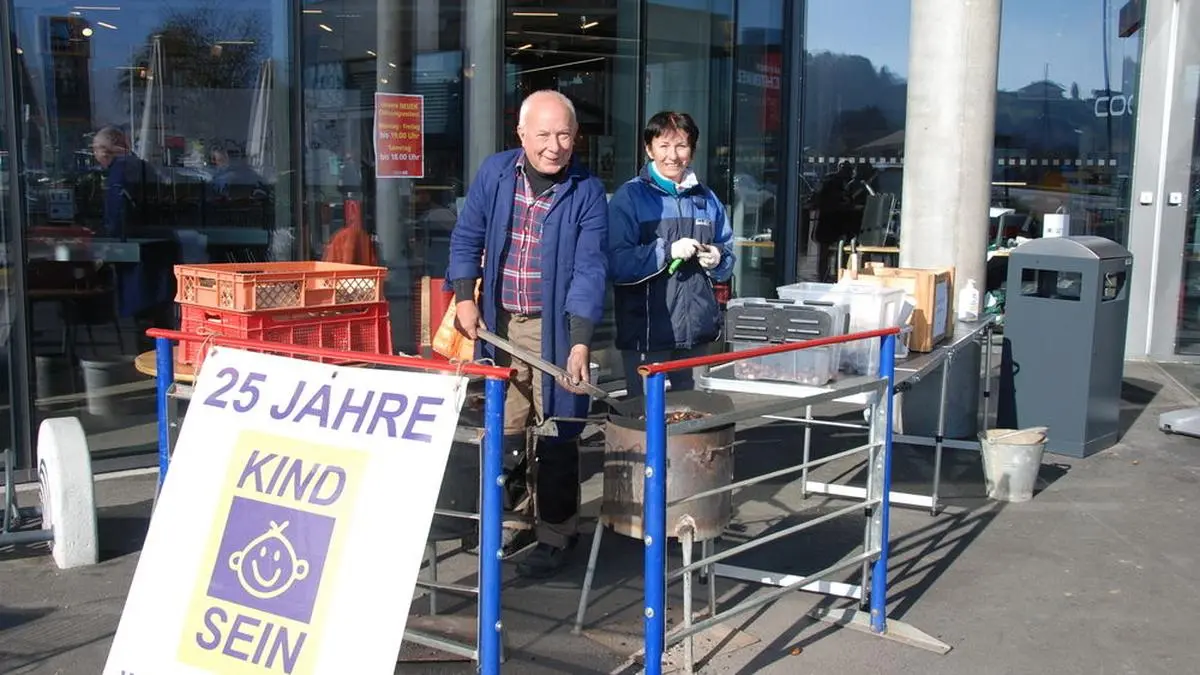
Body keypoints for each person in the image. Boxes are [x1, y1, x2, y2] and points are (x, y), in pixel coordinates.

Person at [446, 90, 608, 579]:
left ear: (576, 136)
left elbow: (589, 270)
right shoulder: (496, 173)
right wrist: (464, 295)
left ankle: (558, 533)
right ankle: (515, 520)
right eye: (543, 134)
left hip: (553, 327)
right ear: (521, 135)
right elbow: (467, 236)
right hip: (499, 322)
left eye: (564, 134)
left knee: (558, 428)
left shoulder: (586, 190)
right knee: (507, 428)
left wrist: (579, 339)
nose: (555, 146)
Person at [607, 111, 735, 399]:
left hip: (697, 332)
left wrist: (718, 258)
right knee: (646, 421)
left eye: (681, 146)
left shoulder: (706, 198)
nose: (672, 155)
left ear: (693, 149)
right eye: (663, 146)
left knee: (693, 418)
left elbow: (728, 255)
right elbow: (616, 263)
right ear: (649, 149)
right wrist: (666, 251)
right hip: (648, 332)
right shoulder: (630, 197)